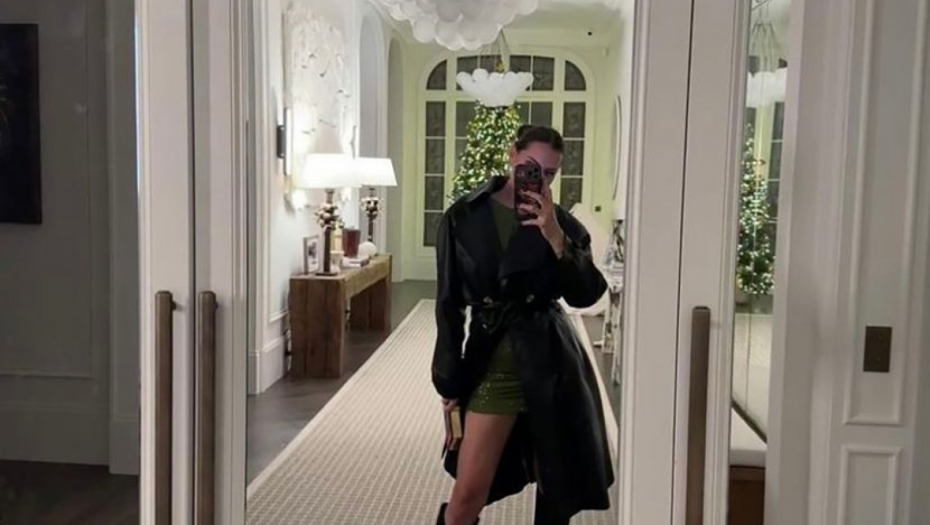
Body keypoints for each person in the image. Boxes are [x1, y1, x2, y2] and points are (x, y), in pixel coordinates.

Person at [432, 125, 614, 525]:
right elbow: (448, 306)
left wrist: (555, 237)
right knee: (467, 494)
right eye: (531, 167)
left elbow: (586, 295)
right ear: (512, 154)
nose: (539, 180)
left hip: (552, 362)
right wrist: (449, 381)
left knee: (556, 493)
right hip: (493, 363)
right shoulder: (463, 216)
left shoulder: (562, 224)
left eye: (549, 173)